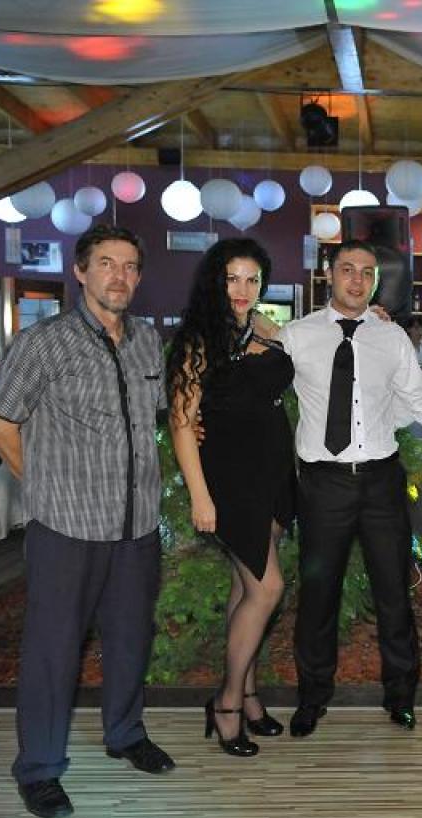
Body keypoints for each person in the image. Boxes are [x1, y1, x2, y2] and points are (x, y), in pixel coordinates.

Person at [0, 224, 175, 818]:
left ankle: (125, 734)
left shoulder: (148, 343)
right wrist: (43, 486)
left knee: (130, 639)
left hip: (136, 528)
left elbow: (154, 421)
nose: (120, 275)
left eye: (130, 266)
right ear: (81, 271)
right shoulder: (42, 343)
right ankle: (39, 768)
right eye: (107, 263)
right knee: (53, 651)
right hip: (66, 529)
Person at [278, 239, 422, 737]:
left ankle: (401, 696)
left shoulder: (391, 338)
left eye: (367, 272)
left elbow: (421, 400)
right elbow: (261, 393)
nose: (357, 280)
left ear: (375, 281)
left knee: (393, 592)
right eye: (347, 269)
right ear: (329, 274)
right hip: (322, 485)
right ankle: (312, 697)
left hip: (380, 482)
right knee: (318, 594)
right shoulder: (296, 336)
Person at [166, 238, 295, 758]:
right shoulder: (198, 340)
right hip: (230, 479)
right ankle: (225, 704)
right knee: (267, 588)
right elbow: (181, 424)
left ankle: (249, 696)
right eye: (232, 278)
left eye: (252, 280)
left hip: (273, 474)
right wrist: (200, 497)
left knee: (247, 589)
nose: (242, 289)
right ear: (214, 282)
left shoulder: (261, 328)